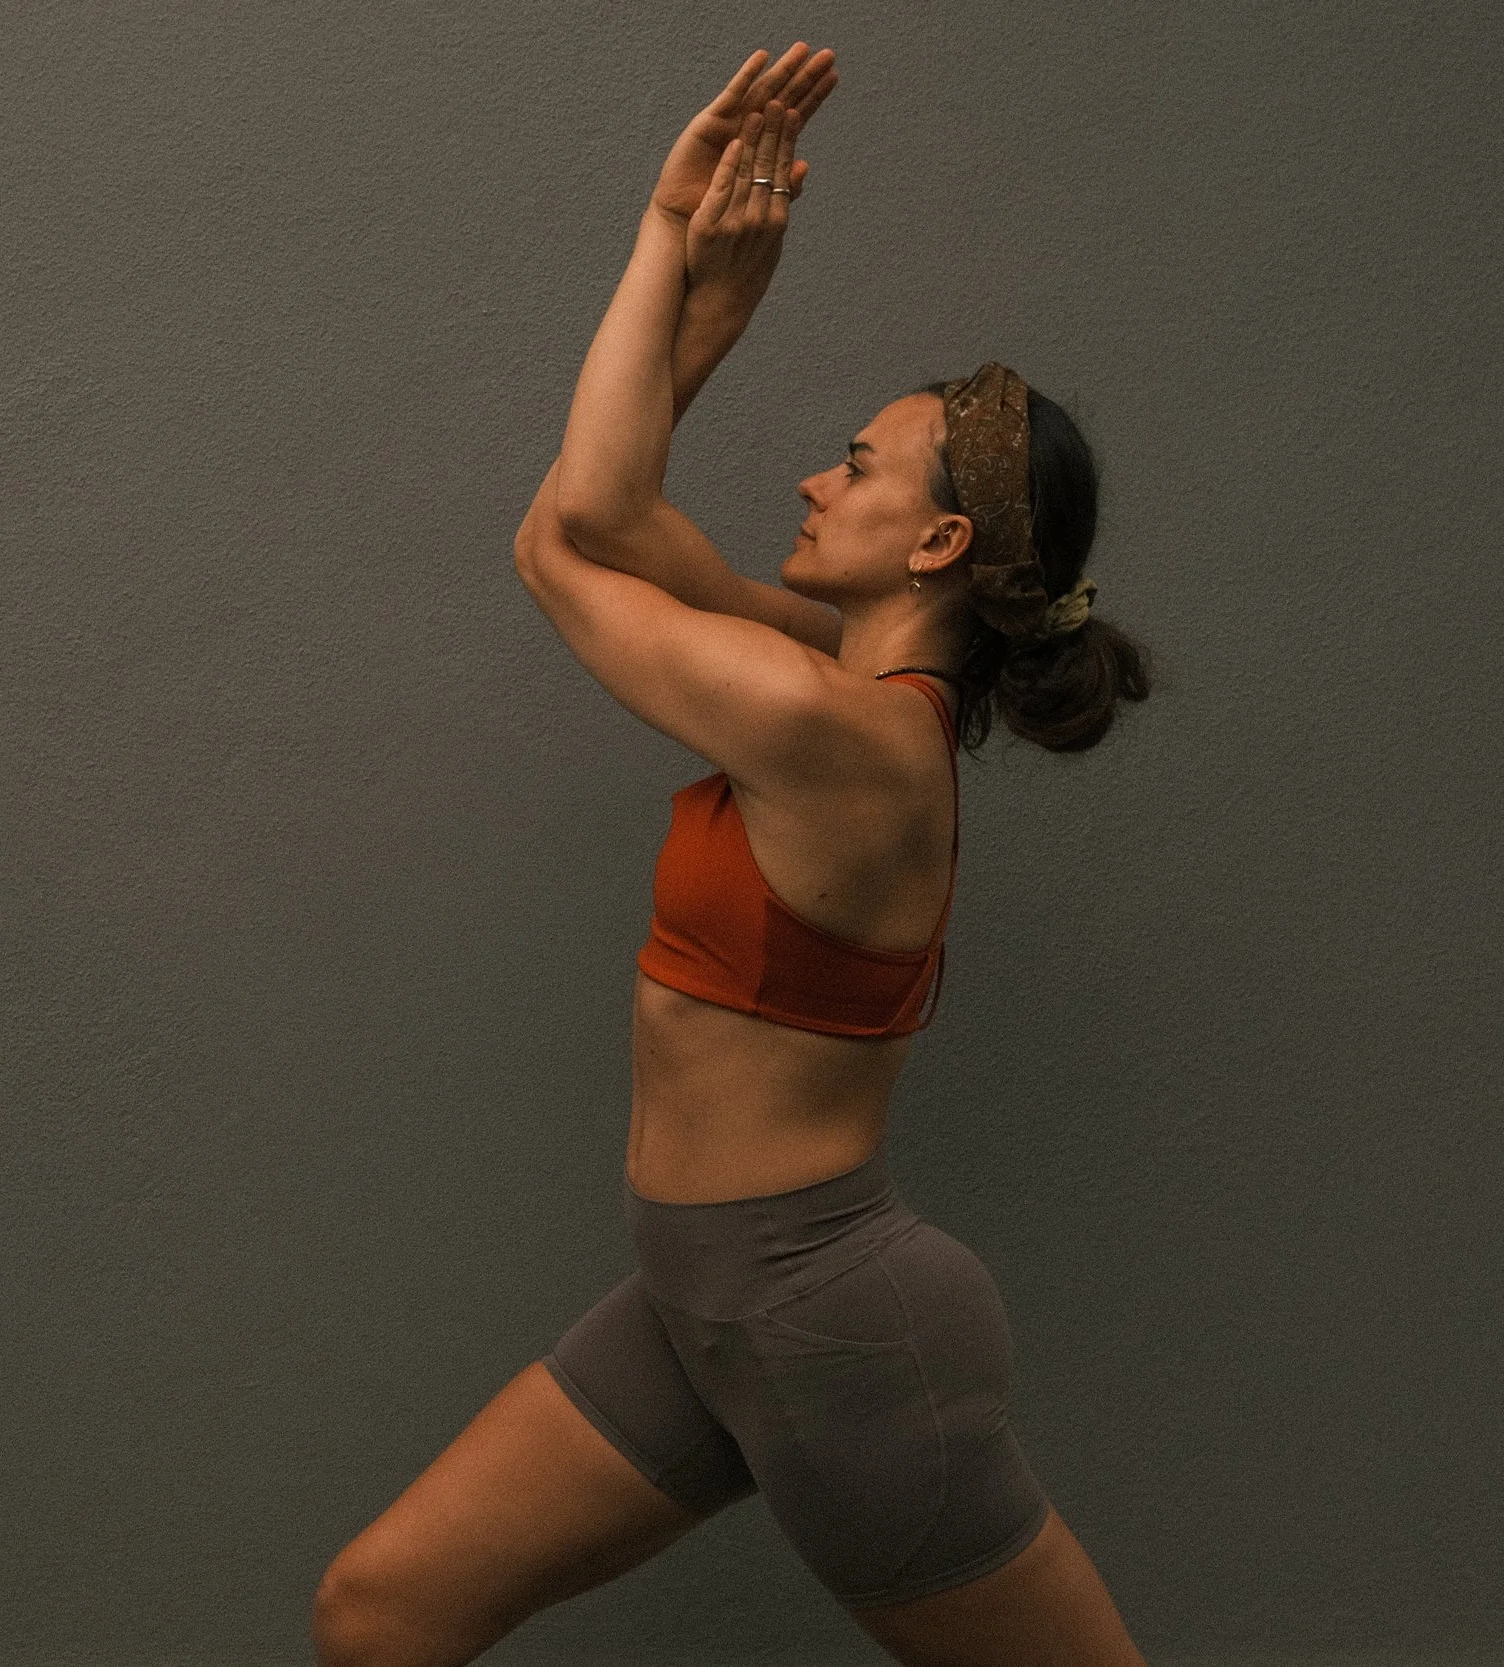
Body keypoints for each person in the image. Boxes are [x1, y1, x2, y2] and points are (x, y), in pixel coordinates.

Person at [310, 43, 1155, 1667]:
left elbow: (562, 537)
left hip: (834, 1331)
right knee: (383, 1609)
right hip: (699, 1310)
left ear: (937, 541)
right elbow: (604, 516)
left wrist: (664, 243)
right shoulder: (821, 684)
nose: (810, 477)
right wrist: (695, 275)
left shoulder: (837, 732)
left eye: (853, 463)